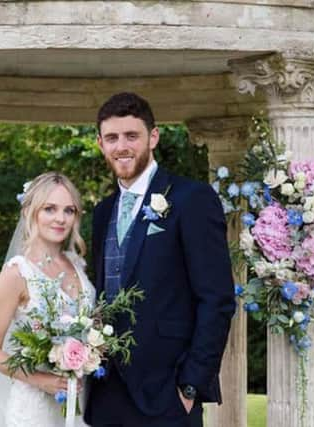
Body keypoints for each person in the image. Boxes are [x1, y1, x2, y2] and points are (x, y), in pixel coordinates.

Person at [84, 92, 236, 427]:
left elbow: (217, 299)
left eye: (131, 136)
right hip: (106, 388)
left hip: (168, 391)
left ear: (153, 137)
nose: (121, 146)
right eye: (111, 138)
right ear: (100, 143)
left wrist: (191, 383)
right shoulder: (102, 211)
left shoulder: (191, 198)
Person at [0, 172, 95, 427]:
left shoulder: (77, 266)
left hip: (77, 399)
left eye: (69, 210)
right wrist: (40, 379)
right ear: (32, 212)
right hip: (33, 406)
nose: (60, 218)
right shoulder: (17, 274)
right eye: (50, 209)